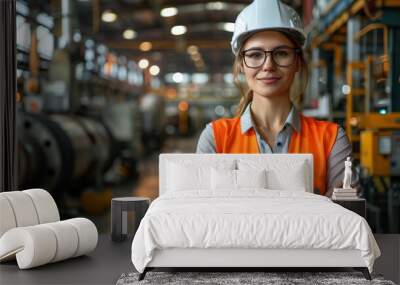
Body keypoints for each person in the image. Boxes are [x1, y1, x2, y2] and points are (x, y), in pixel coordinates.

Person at [196, 0, 358, 197]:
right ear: (241, 65)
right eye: (255, 55)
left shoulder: (331, 140)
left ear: (298, 61)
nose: (268, 65)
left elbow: (344, 220)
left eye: (281, 53)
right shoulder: (216, 139)